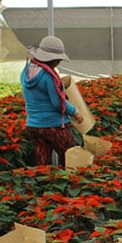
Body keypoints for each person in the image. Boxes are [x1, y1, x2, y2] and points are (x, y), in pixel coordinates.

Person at [21, 35, 84, 167]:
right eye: (58, 59)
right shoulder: (49, 77)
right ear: (52, 59)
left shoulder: (26, 72)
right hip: (54, 126)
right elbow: (58, 103)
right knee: (70, 160)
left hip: (34, 126)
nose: (59, 62)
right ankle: (67, 186)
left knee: (42, 164)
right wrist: (75, 112)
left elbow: (38, 93)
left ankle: (43, 186)